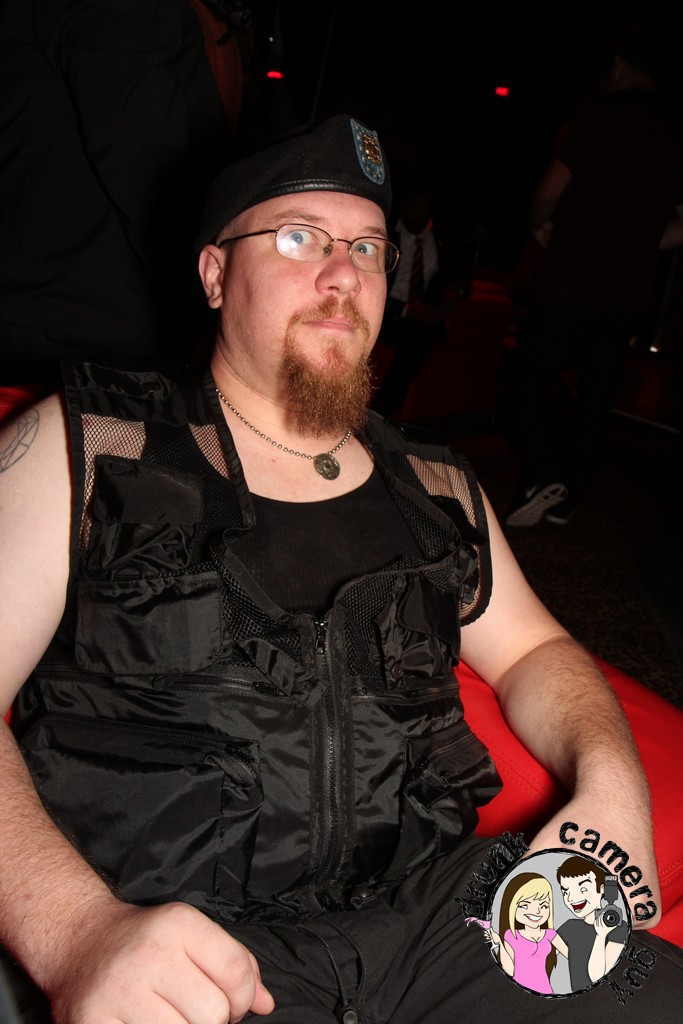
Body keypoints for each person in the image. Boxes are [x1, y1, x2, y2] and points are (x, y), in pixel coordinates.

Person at [0, 113, 681, 1024]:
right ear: (214, 273)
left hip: (450, 920)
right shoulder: (87, 447)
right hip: (180, 950)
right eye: (298, 237)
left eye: (366, 247)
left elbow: (535, 651)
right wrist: (76, 931)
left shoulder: (434, 482)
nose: (343, 274)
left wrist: (612, 788)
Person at [504, 27, 683, 527]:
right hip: (628, 291)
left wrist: (539, 224)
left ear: (619, 64)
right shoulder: (674, 128)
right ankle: (568, 501)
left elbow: (550, 188)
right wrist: (639, 247)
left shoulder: (602, 110)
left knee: (528, 372)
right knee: (597, 393)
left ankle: (541, 475)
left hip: (572, 275)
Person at [371, 181, 463, 417]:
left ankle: (385, 417)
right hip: (386, 313)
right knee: (417, 340)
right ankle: (384, 416)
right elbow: (368, 285)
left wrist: (454, 291)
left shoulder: (440, 238)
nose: (420, 213)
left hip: (423, 317)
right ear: (402, 207)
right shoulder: (383, 236)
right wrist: (406, 309)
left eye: (425, 207)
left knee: (423, 336)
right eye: (414, 206)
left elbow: (459, 274)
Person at [486, 872, 568, 995]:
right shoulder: (511, 936)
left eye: (544, 906)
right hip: (517, 993)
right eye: (525, 905)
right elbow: (509, 971)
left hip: (546, 991)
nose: (536, 911)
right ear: (512, 907)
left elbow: (573, 956)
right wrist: (500, 944)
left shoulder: (550, 934)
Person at [556, 856, 630, 992]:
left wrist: (601, 935)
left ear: (602, 889)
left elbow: (597, 977)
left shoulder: (618, 928)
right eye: (566, 892)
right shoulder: (570, 927)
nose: (571, 898)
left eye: (583, 889)